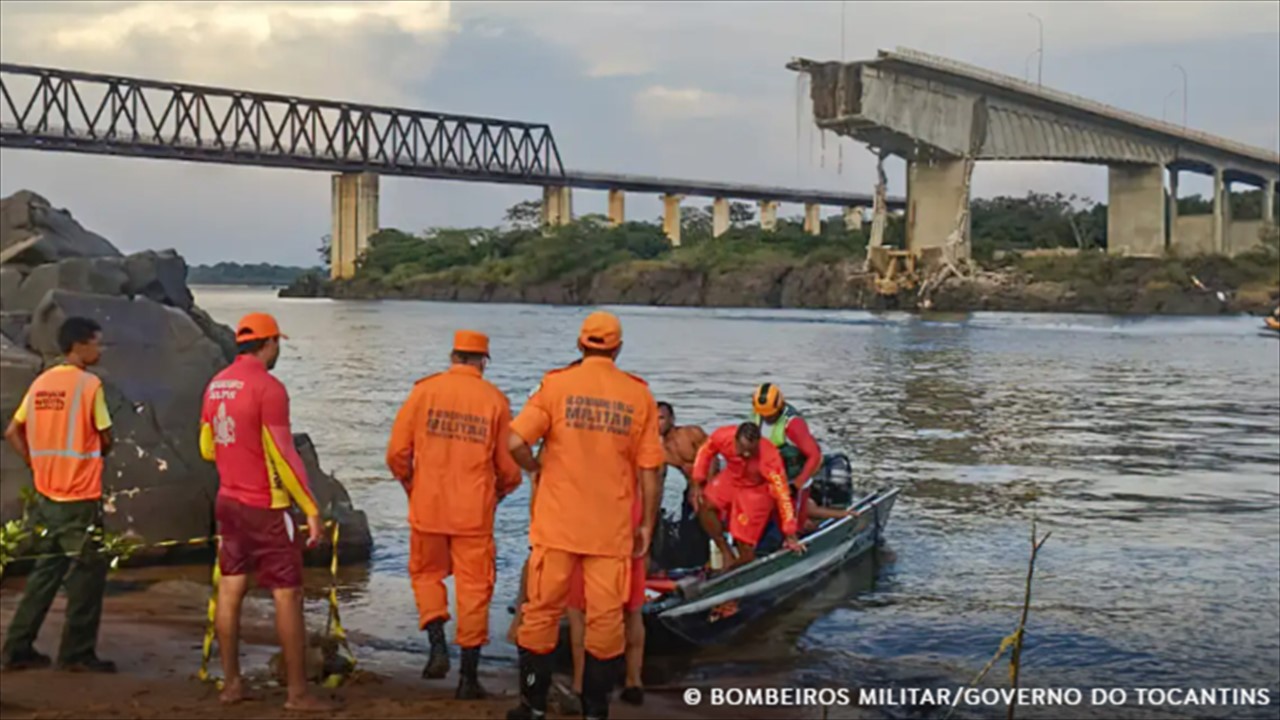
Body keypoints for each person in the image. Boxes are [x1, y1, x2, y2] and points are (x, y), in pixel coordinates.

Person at [506, 311, 664, 720]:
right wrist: (646, 524)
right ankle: (596, 711)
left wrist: (536, 469)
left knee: (540, 614)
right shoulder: (638, 395)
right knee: (606, 623)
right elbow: (650, 470)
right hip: (610, 532)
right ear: (618, 348)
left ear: (580, 344)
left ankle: (532, 705)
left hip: (557, 526)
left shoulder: (556, 386)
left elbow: (513, 441)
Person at [197, 312, 332, 712]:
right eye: (278, 344)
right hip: (266, 506)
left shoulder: (217, 384)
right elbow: (285, 455)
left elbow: (206, 446)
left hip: (228, 502)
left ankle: (232, 684)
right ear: (269, 344)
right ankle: (298, 693)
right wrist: (310, 508)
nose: (278, 351)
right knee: (287, 595)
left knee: (231, 588)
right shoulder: (269, 388)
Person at [386, 330, 522, 699]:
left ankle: (436, 646)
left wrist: (414, 487)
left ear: (452, 355)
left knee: (426, 575)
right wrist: (499, 493)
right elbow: (509, 469)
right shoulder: (495, 400)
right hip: (473, 514)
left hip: (427, 507)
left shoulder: (423, 392)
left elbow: (397, 453)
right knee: (474, 590)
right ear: (484, 361)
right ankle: (468, 679)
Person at [1, 317, 116, 674]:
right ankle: (77, 653)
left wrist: (36, 464)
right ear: (79, 346)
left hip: (47, 493)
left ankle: (17, 646)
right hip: (78, 495)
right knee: (87, 573)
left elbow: (12, 432)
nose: (100, 349)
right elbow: (106, 436)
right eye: (97, 343)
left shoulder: (41, 383)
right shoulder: (89, 385)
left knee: (46, 571)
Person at [690, 423, 804, 570]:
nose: (746, 455)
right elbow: (706, 451)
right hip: (732, 476)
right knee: (704, 503)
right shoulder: (723, 436)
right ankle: (725, 551)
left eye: (751, 451)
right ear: (735, 440)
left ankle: (737, 567)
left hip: (756, 488)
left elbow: (782, 494)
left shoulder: (769, 458)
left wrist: (790, 532)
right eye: (742, 450)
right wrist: (698, 481)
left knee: (744, 542)